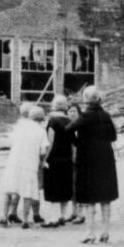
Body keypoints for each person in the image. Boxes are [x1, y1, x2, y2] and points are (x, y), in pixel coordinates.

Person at [67, 86, 118, 244]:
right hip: (106, 158)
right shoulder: (106, 115)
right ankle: (105, 231)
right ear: (99, 98)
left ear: (86, 99)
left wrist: (79, 143)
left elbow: (68, 129)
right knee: (105, 197)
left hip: (88, 159)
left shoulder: (85, 116)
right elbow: (114, 137)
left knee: (89, 198)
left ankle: (90, 233)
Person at [0, 104, 49, 229]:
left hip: (14, 163)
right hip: (30, 164)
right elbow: (43, 150)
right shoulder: (41, 130)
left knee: (9, 190)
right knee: (27, 192)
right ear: (41, 119)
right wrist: (43, 159)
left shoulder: (19, 127)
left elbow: (8, 142)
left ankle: (4, 217)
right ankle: (26, 220)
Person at [42, 95, 75, 228]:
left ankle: (53, 219)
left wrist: (44, 158)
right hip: (67, 157)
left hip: (54, 158)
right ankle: (62, 216)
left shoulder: (52, 121)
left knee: (52, 188)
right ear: (66, 106)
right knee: (65, 186)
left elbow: (50, 142)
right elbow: (73, 143)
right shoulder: (70, 121)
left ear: (53, 106)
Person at [66, 103, 85, 224]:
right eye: (70, 111)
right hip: (70, 159)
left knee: (80, 186)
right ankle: (73, 212)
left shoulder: (81, 126)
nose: (72, 113)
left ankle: (81, 213)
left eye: (74, 111)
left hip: (81, 159)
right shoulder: (68, 126)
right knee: (72, 187)